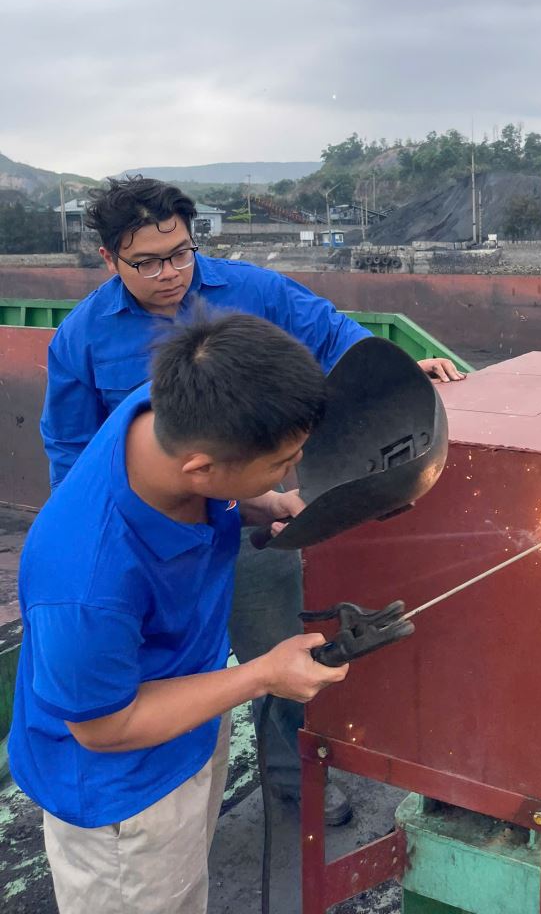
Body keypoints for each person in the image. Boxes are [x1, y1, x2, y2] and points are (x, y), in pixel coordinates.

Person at [39, 175, 465, 824]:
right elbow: (72, 455)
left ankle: (291, 778)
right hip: (156, 549)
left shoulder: (254, 291)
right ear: (107, 258)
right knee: (172, 666)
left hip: (240, 513)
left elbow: (333, 336)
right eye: (147, 263)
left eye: (180, 253)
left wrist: (401, 375)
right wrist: (100, 547)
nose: (170, 274)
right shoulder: (81, 339)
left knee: (279, 649)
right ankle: (175, 782)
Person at [11, 311, 349, 914]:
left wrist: (265, 502)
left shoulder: (168, 408)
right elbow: (104, 729)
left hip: (188, 712)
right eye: (281, 462)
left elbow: (228, 483)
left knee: (187, 885)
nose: (292, 471)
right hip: (125, 796)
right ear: (200, 468)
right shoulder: (85, 581)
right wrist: (263, 675)